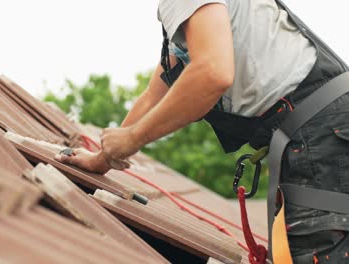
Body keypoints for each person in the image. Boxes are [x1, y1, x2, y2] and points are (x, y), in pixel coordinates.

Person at [55, 0, 349, 262]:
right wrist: (102, 159)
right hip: (324, 128)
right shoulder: (195, 20)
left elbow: (212, 73)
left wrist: (132, 139)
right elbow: (155, 94)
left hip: (320, 130)